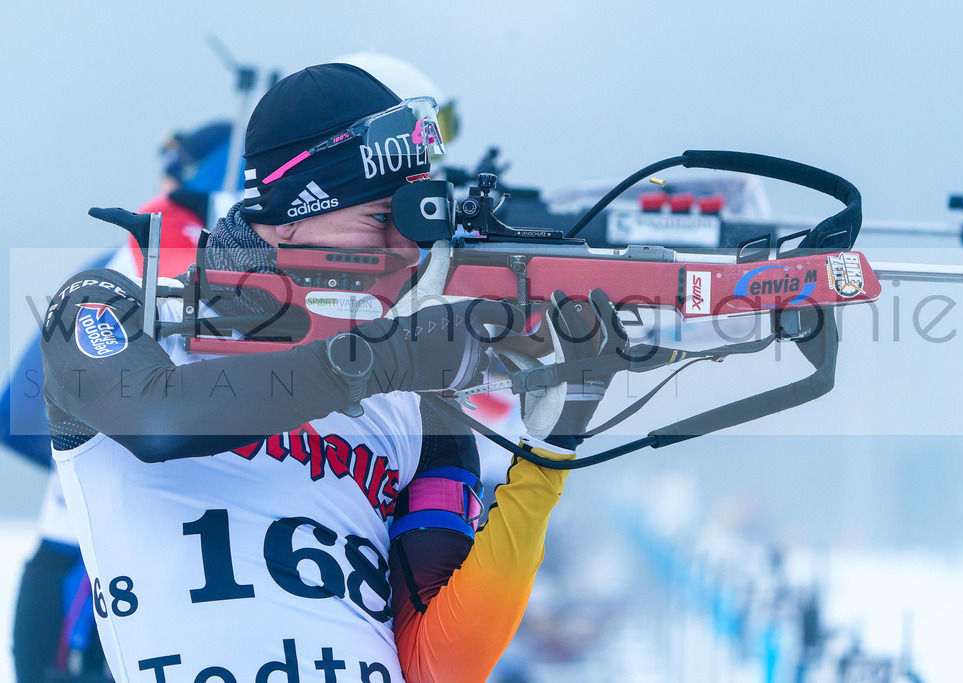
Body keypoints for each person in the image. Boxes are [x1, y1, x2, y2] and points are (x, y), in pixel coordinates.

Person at [39, 63, 628, 683]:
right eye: (379, 219)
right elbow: (159, 422)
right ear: (291, 216)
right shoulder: (107, 308)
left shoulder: (419, 405)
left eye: (415, 225)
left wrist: (547, 458)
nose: (408, 250)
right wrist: (394, 356)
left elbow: (438, 667)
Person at [8, 120, 243, 683]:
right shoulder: (165, 240)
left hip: (115, 475)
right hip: (116, 476)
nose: (164, 181)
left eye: (175, 170)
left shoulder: (154, 239)